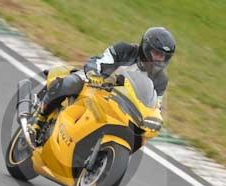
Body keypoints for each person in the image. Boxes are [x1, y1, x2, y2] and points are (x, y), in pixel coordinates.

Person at [31, 27, 176, 139]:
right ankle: (39, 120)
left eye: (163, 56)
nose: (159, 59)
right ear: (146, 48)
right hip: (97, 85)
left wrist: (155, 117)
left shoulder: (160, 80)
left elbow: (156, 105)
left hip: (122, 105)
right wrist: (94, 73)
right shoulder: (124, 50)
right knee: (71, 83)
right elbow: (99, 61)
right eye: (156, 54)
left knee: (136, 134)